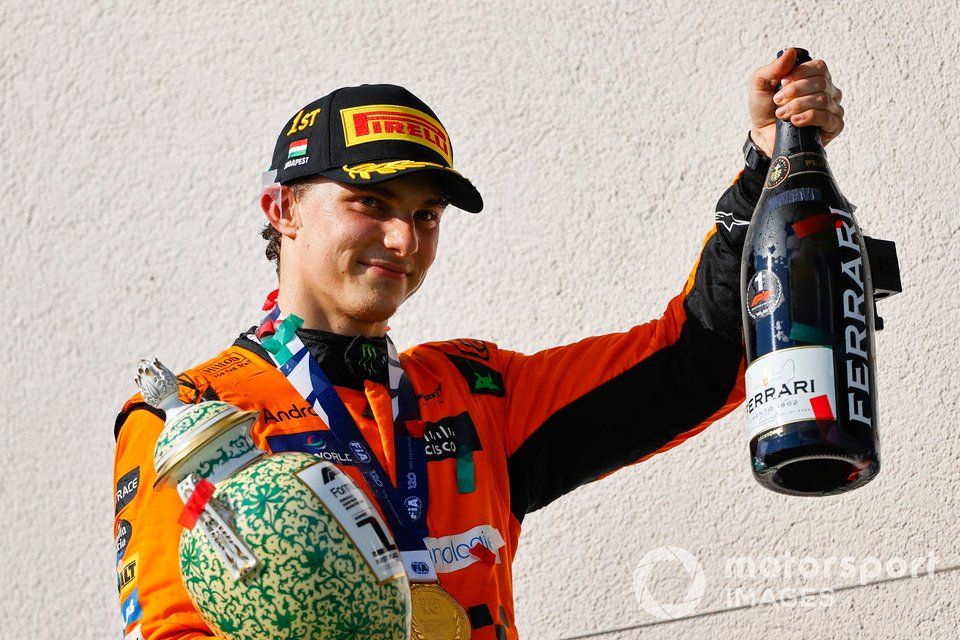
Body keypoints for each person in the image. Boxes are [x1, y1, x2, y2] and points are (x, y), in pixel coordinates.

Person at [113, 47, 845, 640]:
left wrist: (765, 169)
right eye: (370, 204)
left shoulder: (474, 392)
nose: (404, 240)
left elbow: (692, 363)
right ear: (283, 209)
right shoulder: (194, 419)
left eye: (426, 215)